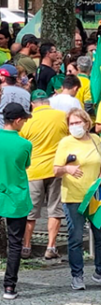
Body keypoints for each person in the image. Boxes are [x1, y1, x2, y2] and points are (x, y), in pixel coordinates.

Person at [53, 108, 101, 291]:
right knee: (75, 237)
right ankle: (77, 275)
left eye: (78, 122)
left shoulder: (95, 140)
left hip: (95, 196)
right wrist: (68, 169)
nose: (75, 126)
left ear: (86, 123)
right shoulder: (66, 143)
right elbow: (56, 169)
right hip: (74, 197)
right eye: (71, 123)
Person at [20, 90, 68, 261]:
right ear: (48, 102)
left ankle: (26, 246)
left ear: (33, 104)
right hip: (57, 169)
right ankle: (51, 246)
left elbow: (21, 145)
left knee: (30, 211)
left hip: (33, 170)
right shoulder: (62, 116)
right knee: (54, 209)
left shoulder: (28, 120)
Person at [0, 104, 33, 300]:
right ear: (18, 120)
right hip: (16, 196)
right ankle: (9, 287)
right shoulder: (24, 144)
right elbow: (25, 165)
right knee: (14, 244)